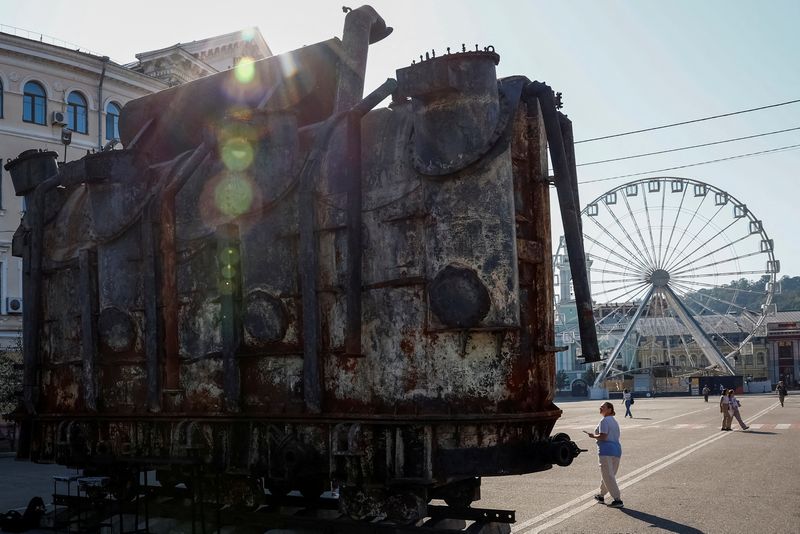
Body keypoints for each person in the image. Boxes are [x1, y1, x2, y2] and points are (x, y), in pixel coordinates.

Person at [584, 402, 623, 508]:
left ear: (610, 409)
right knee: (608, 475)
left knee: (608, 475)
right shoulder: (614, 421)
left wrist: (593, 436)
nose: (600, 408)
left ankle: (617, 499)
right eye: (600, 407)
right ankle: (601, 495)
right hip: (617, 450)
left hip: (606, 451)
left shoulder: (604, 421)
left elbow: (603, 436)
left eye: (603, 407)